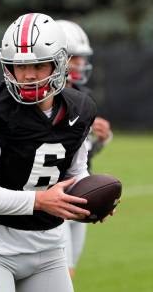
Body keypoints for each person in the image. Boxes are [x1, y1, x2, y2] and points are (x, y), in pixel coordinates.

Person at [0, 13, 98, 292]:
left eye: (38, 65)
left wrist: (89, 200)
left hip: (47, 244)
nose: (28, 75)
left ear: (58, 63)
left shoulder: (80, 110)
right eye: (19, 67)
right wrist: (40, 200)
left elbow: (77, 172)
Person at [57, 19, 112, 278]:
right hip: (51, 195)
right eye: (73, 58)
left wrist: (99, 139)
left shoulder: (82, 97)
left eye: (81, 59)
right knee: (59, 275)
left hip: (79, 189)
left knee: (68, 274)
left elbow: (78, 152)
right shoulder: (43, 102)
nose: (79, 64)